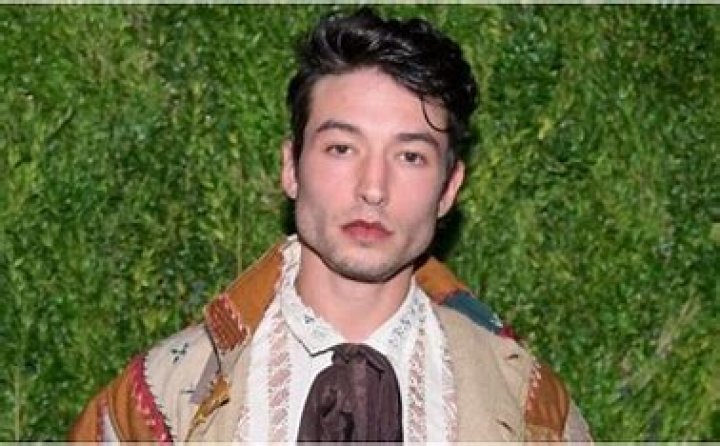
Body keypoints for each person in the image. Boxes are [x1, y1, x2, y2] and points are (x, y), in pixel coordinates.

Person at [69, 8, 591, 442]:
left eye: (410, 156)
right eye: (342, 148)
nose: (373, 187)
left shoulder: (528, 407)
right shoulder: (161, 401)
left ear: (449, 188)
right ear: (291, 167)